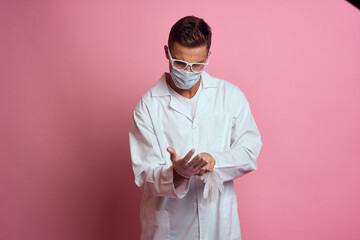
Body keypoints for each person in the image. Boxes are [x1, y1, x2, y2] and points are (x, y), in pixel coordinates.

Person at [129, 15, 262, 240]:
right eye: (180, 63)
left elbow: (250, 151)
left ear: (208, 56)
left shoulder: (229, 96)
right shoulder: (149, 106)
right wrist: (177, 174)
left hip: (219, 225)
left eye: (197, 64)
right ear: (167, 52)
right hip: (169, 229)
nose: (188, 72)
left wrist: (215, 160)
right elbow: (144, 175)